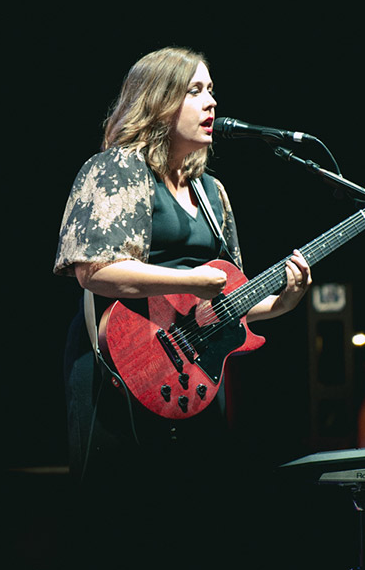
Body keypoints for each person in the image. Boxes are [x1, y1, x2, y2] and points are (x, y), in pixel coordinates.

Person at [54, 46, 312, 486]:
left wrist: (283, 302)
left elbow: (227, 301)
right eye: (195, 91)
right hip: (123, 364)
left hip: (193, 378)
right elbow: (94, 272)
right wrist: (189, 279)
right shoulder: (117, 169)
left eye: (212, 90)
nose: (211, 102)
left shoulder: (213, 193)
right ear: (159, 101)